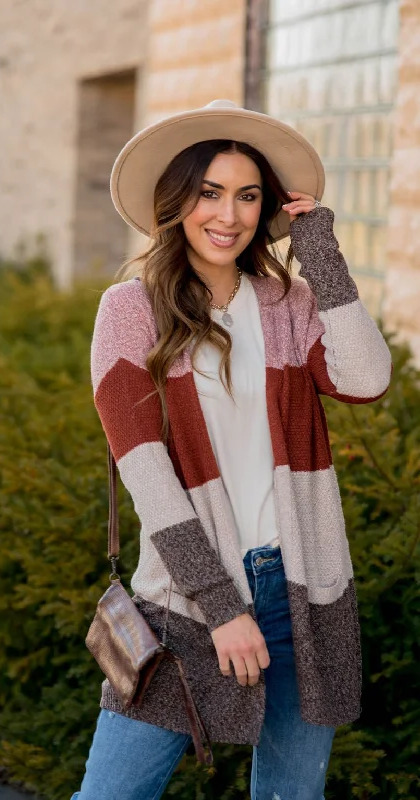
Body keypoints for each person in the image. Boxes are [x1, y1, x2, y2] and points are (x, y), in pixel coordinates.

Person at [72, 100, 392, 800]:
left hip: (303, 587)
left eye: (248, 195)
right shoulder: (129, 313)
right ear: (176, 202)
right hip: (187, 597)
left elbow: (367, 379)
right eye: (209, 192)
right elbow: (147, 476)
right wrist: (221, 606)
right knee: (111, 795)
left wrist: (322, 253)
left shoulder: (289, 301)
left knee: (290, 795)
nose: (229, 214)